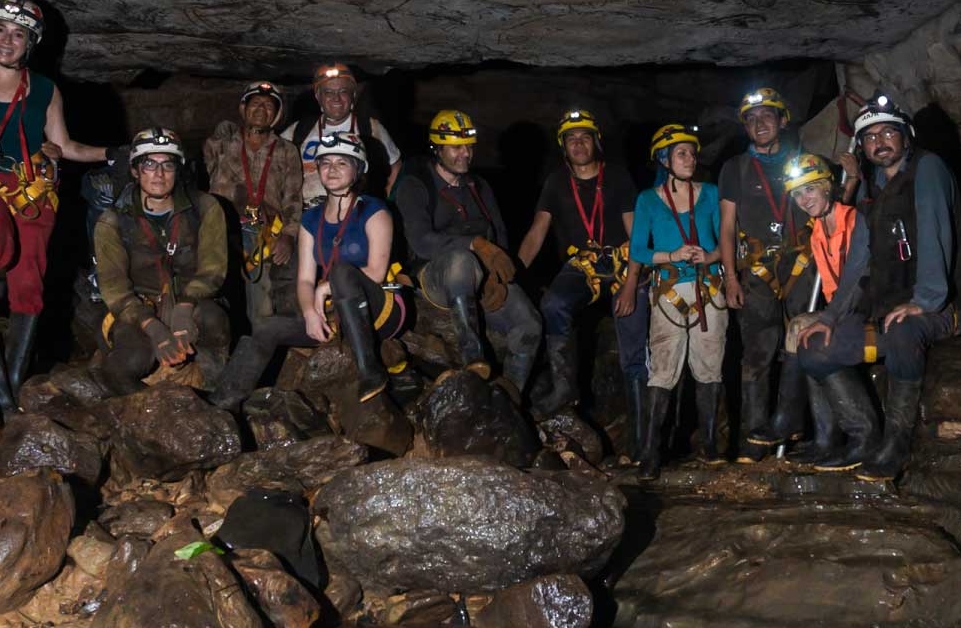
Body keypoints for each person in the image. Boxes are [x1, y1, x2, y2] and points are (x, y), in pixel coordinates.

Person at [0, 0, 107, 412]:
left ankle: (13, 387)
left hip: (34, 190)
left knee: (29, 281)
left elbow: (66, 146)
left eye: (18, 34)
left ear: (30, 43)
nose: (7, 41)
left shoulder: (45, 90)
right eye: (0, 30)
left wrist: (117, 154)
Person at [797, 97, 961, 478]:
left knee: (901, 331)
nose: (879, 142)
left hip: (944, 308)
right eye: (870, 137)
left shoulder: (927, 169)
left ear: (906, 136)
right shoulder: (872, 191)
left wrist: (924, 301)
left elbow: (934, 232)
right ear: (861, 147)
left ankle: (897, 444)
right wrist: (831, 317)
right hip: (887, 309)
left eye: (888, 132)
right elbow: (859, 261)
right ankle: (864, 438)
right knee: (814, 348)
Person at [208, 131, 410, 418]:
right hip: (336, 316)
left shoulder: (374, 211)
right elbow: (304, 279)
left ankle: (370, 370)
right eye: (326, 163)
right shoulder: (311, 219)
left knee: (341, 272)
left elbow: (376, 273)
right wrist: (310, 313)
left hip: (382, 310)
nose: (332, 169)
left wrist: (324, 289)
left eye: (342, 163)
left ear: (358, 169)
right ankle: (223, 404)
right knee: (267, 328)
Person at [391, 109, 542, 396]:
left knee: (530, 323)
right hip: (433, 275)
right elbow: (422, 242)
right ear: (437, 148)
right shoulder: (415, 185)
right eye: (456, 148)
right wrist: (475, 244)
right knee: (461, 261)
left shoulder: (479, 186)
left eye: (468, 146)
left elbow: (498, 236)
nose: (465, 154)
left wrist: (496, 276)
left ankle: (510, 398)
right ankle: (473, 355)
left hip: (477, 275)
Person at [517, 108, 646, 426]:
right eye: (570, 139)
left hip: (621, 263)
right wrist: (514, 275)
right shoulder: (557, 181)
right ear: (563, 146)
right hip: (583, 266)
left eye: (584, 137)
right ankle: (564, 389)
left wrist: (634, 281)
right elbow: (537, 230)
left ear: (596, 142)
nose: (578, 144)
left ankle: (641, 427)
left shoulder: (616, 176)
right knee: (554, 304)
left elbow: (637, 233)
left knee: (634, 339)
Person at [92, 128, 232, 391]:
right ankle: (143, 414)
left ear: (178, 170)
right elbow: (116, 290)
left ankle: (214, 393)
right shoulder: (112, 221)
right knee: (129, 361)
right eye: (149, 164)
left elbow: (213, 269)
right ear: (135, 170)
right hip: (138, 308)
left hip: (190, 299)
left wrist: (185, 307)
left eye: (167, 165)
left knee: (215, 322)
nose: (159, 174)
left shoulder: (205, 207)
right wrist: (152, 327)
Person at [717, 87, 811, 462]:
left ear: (782, 121)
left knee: (804, 347)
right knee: (757, 355)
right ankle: (753, 440)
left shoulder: (804, 161)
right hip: (756, 273)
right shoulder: (735, 168)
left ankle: (800, 433)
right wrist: (730, 277)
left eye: (767, 116)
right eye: (752, 119)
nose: (760, 124)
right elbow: (726, 227)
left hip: (802, 267)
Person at [630, 123, 727, 479]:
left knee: (710, 366)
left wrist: (712, 256)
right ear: (665, 159)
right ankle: (651, 452)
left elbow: (726, 240)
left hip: (709, 291)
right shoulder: (648, 199)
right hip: (670, 294)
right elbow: (638, 249)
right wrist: (671, 255)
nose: (690, 158)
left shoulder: (712, 193)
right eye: (682, 153)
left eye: (691, 152)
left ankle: (711, 445)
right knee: (663, 370)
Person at [782, 153, 879, 472]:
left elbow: (860, 282)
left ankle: (863, 436)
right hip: (845, 308)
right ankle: (824, 437)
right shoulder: (817, 233)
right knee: (800, 328)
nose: (803, 199)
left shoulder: (855, 218)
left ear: (827, 187)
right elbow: (832, 292)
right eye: (797, 194)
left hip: (871, 306)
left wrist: (830, 320)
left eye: (810, 189)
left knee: (814, 342)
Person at [204, 80, 302, 329]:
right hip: (222, 231)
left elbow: (293, 196)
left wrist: (289, 235)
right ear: (242, 108)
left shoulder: (287, 150)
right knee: (220, 300)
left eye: (269, 106)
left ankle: (260, 353)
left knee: (262, 308)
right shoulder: (222, 143)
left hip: (263, 234)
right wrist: (221, 132)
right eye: (255, 103)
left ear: (277, 115)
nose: (261, 109)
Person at [282, 63, 401, 205]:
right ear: (318, 96)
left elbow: (395, 166)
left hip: (355, 213)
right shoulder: (299, 130)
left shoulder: (369, 127)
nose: (336, 98)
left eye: (343, 91)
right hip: (307, 213)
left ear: (353, 95)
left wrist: (381, 203)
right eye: (328, 92)